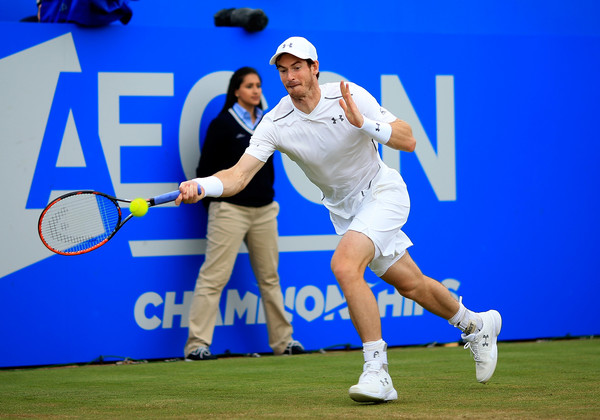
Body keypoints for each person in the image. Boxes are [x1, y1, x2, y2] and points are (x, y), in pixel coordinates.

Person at [176, 37, 502, 402]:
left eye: (297, 67)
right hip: (348, 213)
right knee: (411, 284)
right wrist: (202, 185)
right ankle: (475, 324)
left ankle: (377, 372)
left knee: (345, 265)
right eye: (283, 70)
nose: (290, 76)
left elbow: (409, 141)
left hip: (383, 194)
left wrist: (365, 123)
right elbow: (238, 176)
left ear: (314, 67)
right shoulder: (276, 121)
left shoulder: (349, 95)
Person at [184, 67, 305, 361]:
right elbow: (205, 172)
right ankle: (196, 345)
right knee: (213, 278)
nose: (255, 90)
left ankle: (284, 342)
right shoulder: (222, 124)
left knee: (270, 278)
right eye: (249, 85)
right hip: (230, 211)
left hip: (265, 211)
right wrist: (217, 207)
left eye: (259, 85)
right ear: (236, 90)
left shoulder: (269, 122)